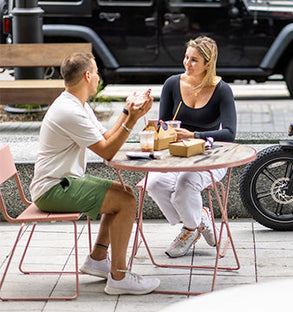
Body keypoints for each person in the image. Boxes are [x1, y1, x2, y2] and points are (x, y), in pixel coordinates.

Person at [29, 52, 160, 295]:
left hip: (63, 181)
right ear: (88, 76)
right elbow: (108, 152)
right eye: (97, 72)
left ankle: (98, 259)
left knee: (124, 192)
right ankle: (119, 277)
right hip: (53, 188)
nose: (98, 76)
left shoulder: (77, 104)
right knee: (126, 201)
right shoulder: (69, 111)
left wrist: (127, 110)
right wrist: (132, 120)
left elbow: (106, 137)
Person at [146, 36, 236, 258]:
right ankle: (198, 220)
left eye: (194, 60)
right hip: (178, 156)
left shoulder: (222, 89)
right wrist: (154, 126)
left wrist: (195, 135)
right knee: (154, 183)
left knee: (185, 185)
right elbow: (164, 126)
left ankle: (190, 229)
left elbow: (230, 133)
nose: (187, 63)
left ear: (208, 63)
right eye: (186, 57)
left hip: (210, 157)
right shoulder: (172, 84)